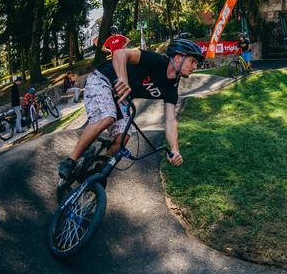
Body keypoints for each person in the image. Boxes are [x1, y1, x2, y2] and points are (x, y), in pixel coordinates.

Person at [57, 39, 204, 180]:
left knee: (124, 137)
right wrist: (123, 79)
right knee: (107, 116)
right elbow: (120, 53)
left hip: (121, 97)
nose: (195, 66)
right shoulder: (156, 61)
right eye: (192, 61)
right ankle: (70, 161)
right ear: (178, 58)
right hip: (103, 79)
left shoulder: (171, 88)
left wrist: (175, 149)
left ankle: (97, 170)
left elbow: (171, 121)